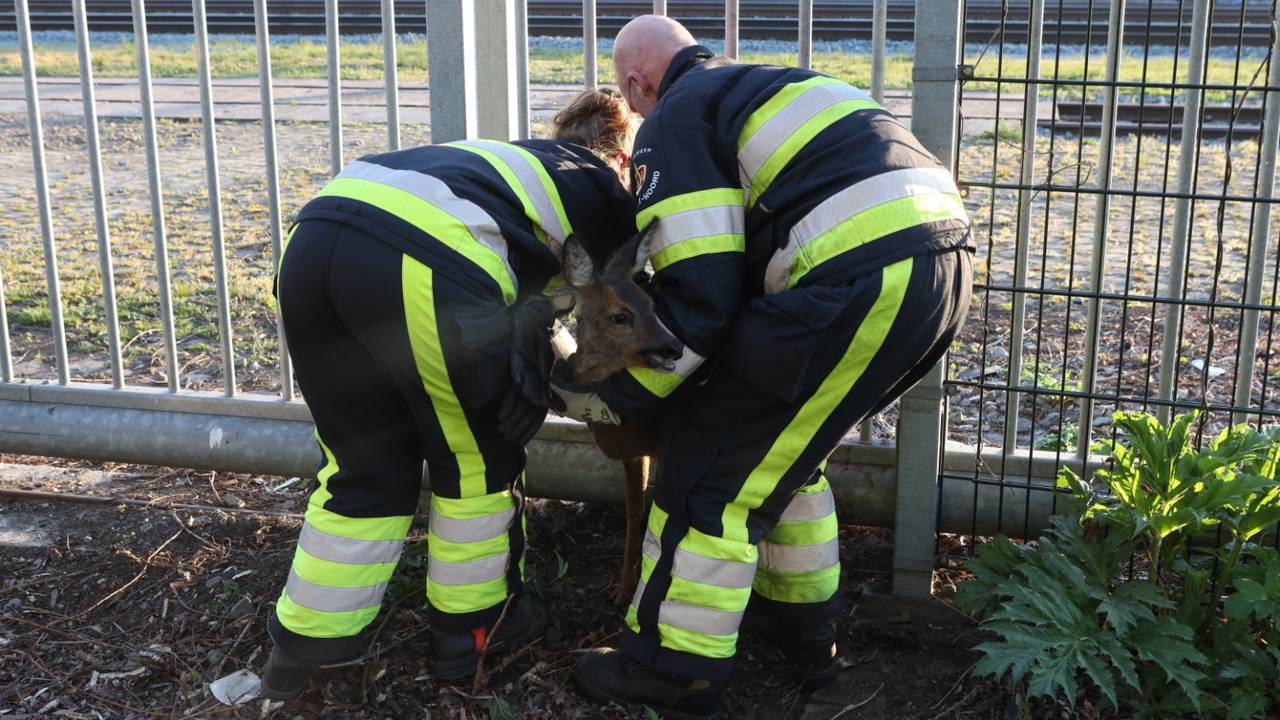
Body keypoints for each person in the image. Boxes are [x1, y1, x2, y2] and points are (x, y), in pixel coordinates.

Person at [550, 16, 974, 720]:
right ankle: (802, 633)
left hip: (854, 280)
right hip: (939, 273)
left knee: (705, 474)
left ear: (636, 84)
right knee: (778, 460)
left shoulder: (675, 120)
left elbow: (698, 298)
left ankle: (671, 671)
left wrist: (618, 394)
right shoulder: (766, 85)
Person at [258, 89, 641, 699]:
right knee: (474, 460)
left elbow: (539, 303)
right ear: (621, 157)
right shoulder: (600, 182)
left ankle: (305, 647)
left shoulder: (503, 166)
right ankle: (474, 632)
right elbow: (621, 307)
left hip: (311, 245)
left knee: (362, 461)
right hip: (421, 260)